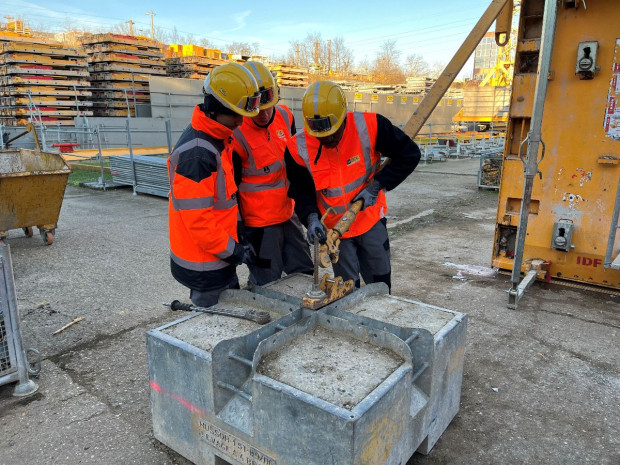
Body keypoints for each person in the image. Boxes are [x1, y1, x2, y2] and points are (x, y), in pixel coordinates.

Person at [284, 80, 421, 291]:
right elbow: (301, 191)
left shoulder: (370, 125)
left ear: (343, 118)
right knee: (347, 290)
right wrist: (310, 218)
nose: (328, 139)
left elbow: (409, 154)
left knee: (380, 284)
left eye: (333, 133)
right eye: (320, 136)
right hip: (335, 232)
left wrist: (377, 186)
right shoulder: (297, 147)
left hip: (369, 221)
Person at [167, 62, 261, 307]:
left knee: (230, 310)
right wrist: (235, 252)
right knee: (210, 325)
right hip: (203, 265)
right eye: (236, 114)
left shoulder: (217, 138)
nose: (241, 122)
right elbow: (199, 222)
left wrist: (238, 235)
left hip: (217, 256)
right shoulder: (198, 154)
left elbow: (224, 199)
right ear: (217, 108)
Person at [231, 61, 313, 285]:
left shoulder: (286, 116)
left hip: (289, 213)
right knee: (266, 280)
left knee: (305, 273)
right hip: (260, 225)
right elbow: (231, 189)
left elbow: (296, 166)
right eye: (257, 108)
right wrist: (240, 230)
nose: (264, 114)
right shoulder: (236, 133)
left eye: (269, 106)